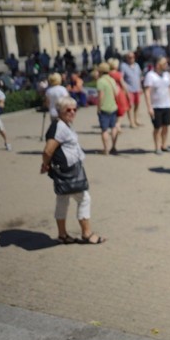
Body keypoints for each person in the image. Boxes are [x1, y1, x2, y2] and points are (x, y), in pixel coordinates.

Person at [40, 96, 105, 245]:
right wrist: (46, 164)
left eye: (74, 109)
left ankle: (62, 235)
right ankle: (87, 233)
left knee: (62, 200)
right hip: (68, 171)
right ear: (60, 110)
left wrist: (47, 164)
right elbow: (47, 151)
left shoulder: (64, 124)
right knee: (84, 199)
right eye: (67, 109)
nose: (72, 112)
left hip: (65, 170)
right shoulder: (58, 127)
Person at [143, 56, 170, 154]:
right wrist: (149, 107)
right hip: (156, 106)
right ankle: (157, 147)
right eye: (164, 63)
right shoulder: (150, 75)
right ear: (158, 65)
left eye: (167, 63)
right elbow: (147, 92)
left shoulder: (166, 75)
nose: (167, 65)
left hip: (167, 104)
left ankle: (164, 145)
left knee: (166, 127)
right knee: (157, 128)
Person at [95, 63, 120, 155]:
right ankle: (113, 146)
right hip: (113, 106)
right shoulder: (112, 80)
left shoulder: (100, 81)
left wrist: (98, 107)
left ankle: (106, 149)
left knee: (104, 129)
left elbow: (100, 96)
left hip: (104, 107)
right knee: (113, 127)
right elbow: (116, 92)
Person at [120, 52, 144, 127]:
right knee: (130, 106)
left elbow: (139, 76)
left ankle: (136, 119)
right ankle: (131, 122)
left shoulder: (137, 65)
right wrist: (124, 88)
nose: (131, 59)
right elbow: (121, 78)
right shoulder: (123, 66)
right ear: (127, 58)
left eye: (133, 57)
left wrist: (141, 87)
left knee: (137, 105)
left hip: (137, 88)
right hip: (129, 89)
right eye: (130, 57)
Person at [107, 58, 130, 132]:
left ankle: (115, 125)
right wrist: (127, 93)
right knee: (121, 110)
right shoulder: (118, 74)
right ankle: (117, 125)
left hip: (111, 93)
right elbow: (123, 85)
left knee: (115, 110)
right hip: (119, 93)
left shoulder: (108, 74)